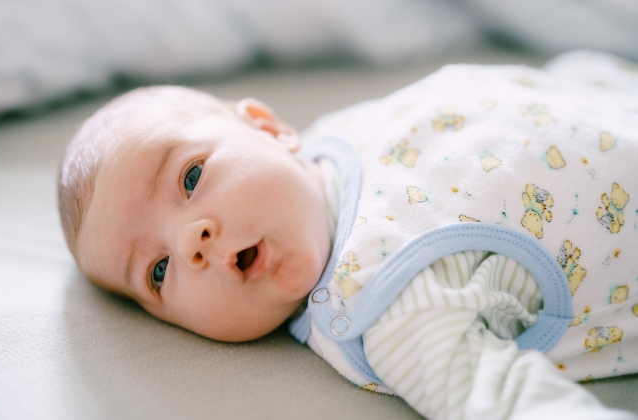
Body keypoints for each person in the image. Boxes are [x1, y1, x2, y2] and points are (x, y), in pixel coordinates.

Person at [58, 50, 638, 419]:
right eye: (159, 271)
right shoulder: (391, 314)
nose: (191, 240)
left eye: (190, 177)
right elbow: (508, 403)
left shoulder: (333, 140)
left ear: (268, 128)